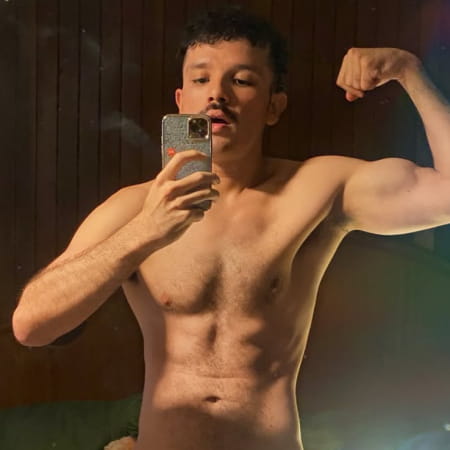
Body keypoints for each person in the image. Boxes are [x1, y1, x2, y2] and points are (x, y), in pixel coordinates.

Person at [12, 6, 450, 450]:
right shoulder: (134, 209)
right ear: (181, 100)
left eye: (241, 80)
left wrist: (408, 70)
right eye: (201, 79)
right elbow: (31, 325)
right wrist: (145, 231)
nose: (217, 94)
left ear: (273, 106)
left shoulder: (316, 188)